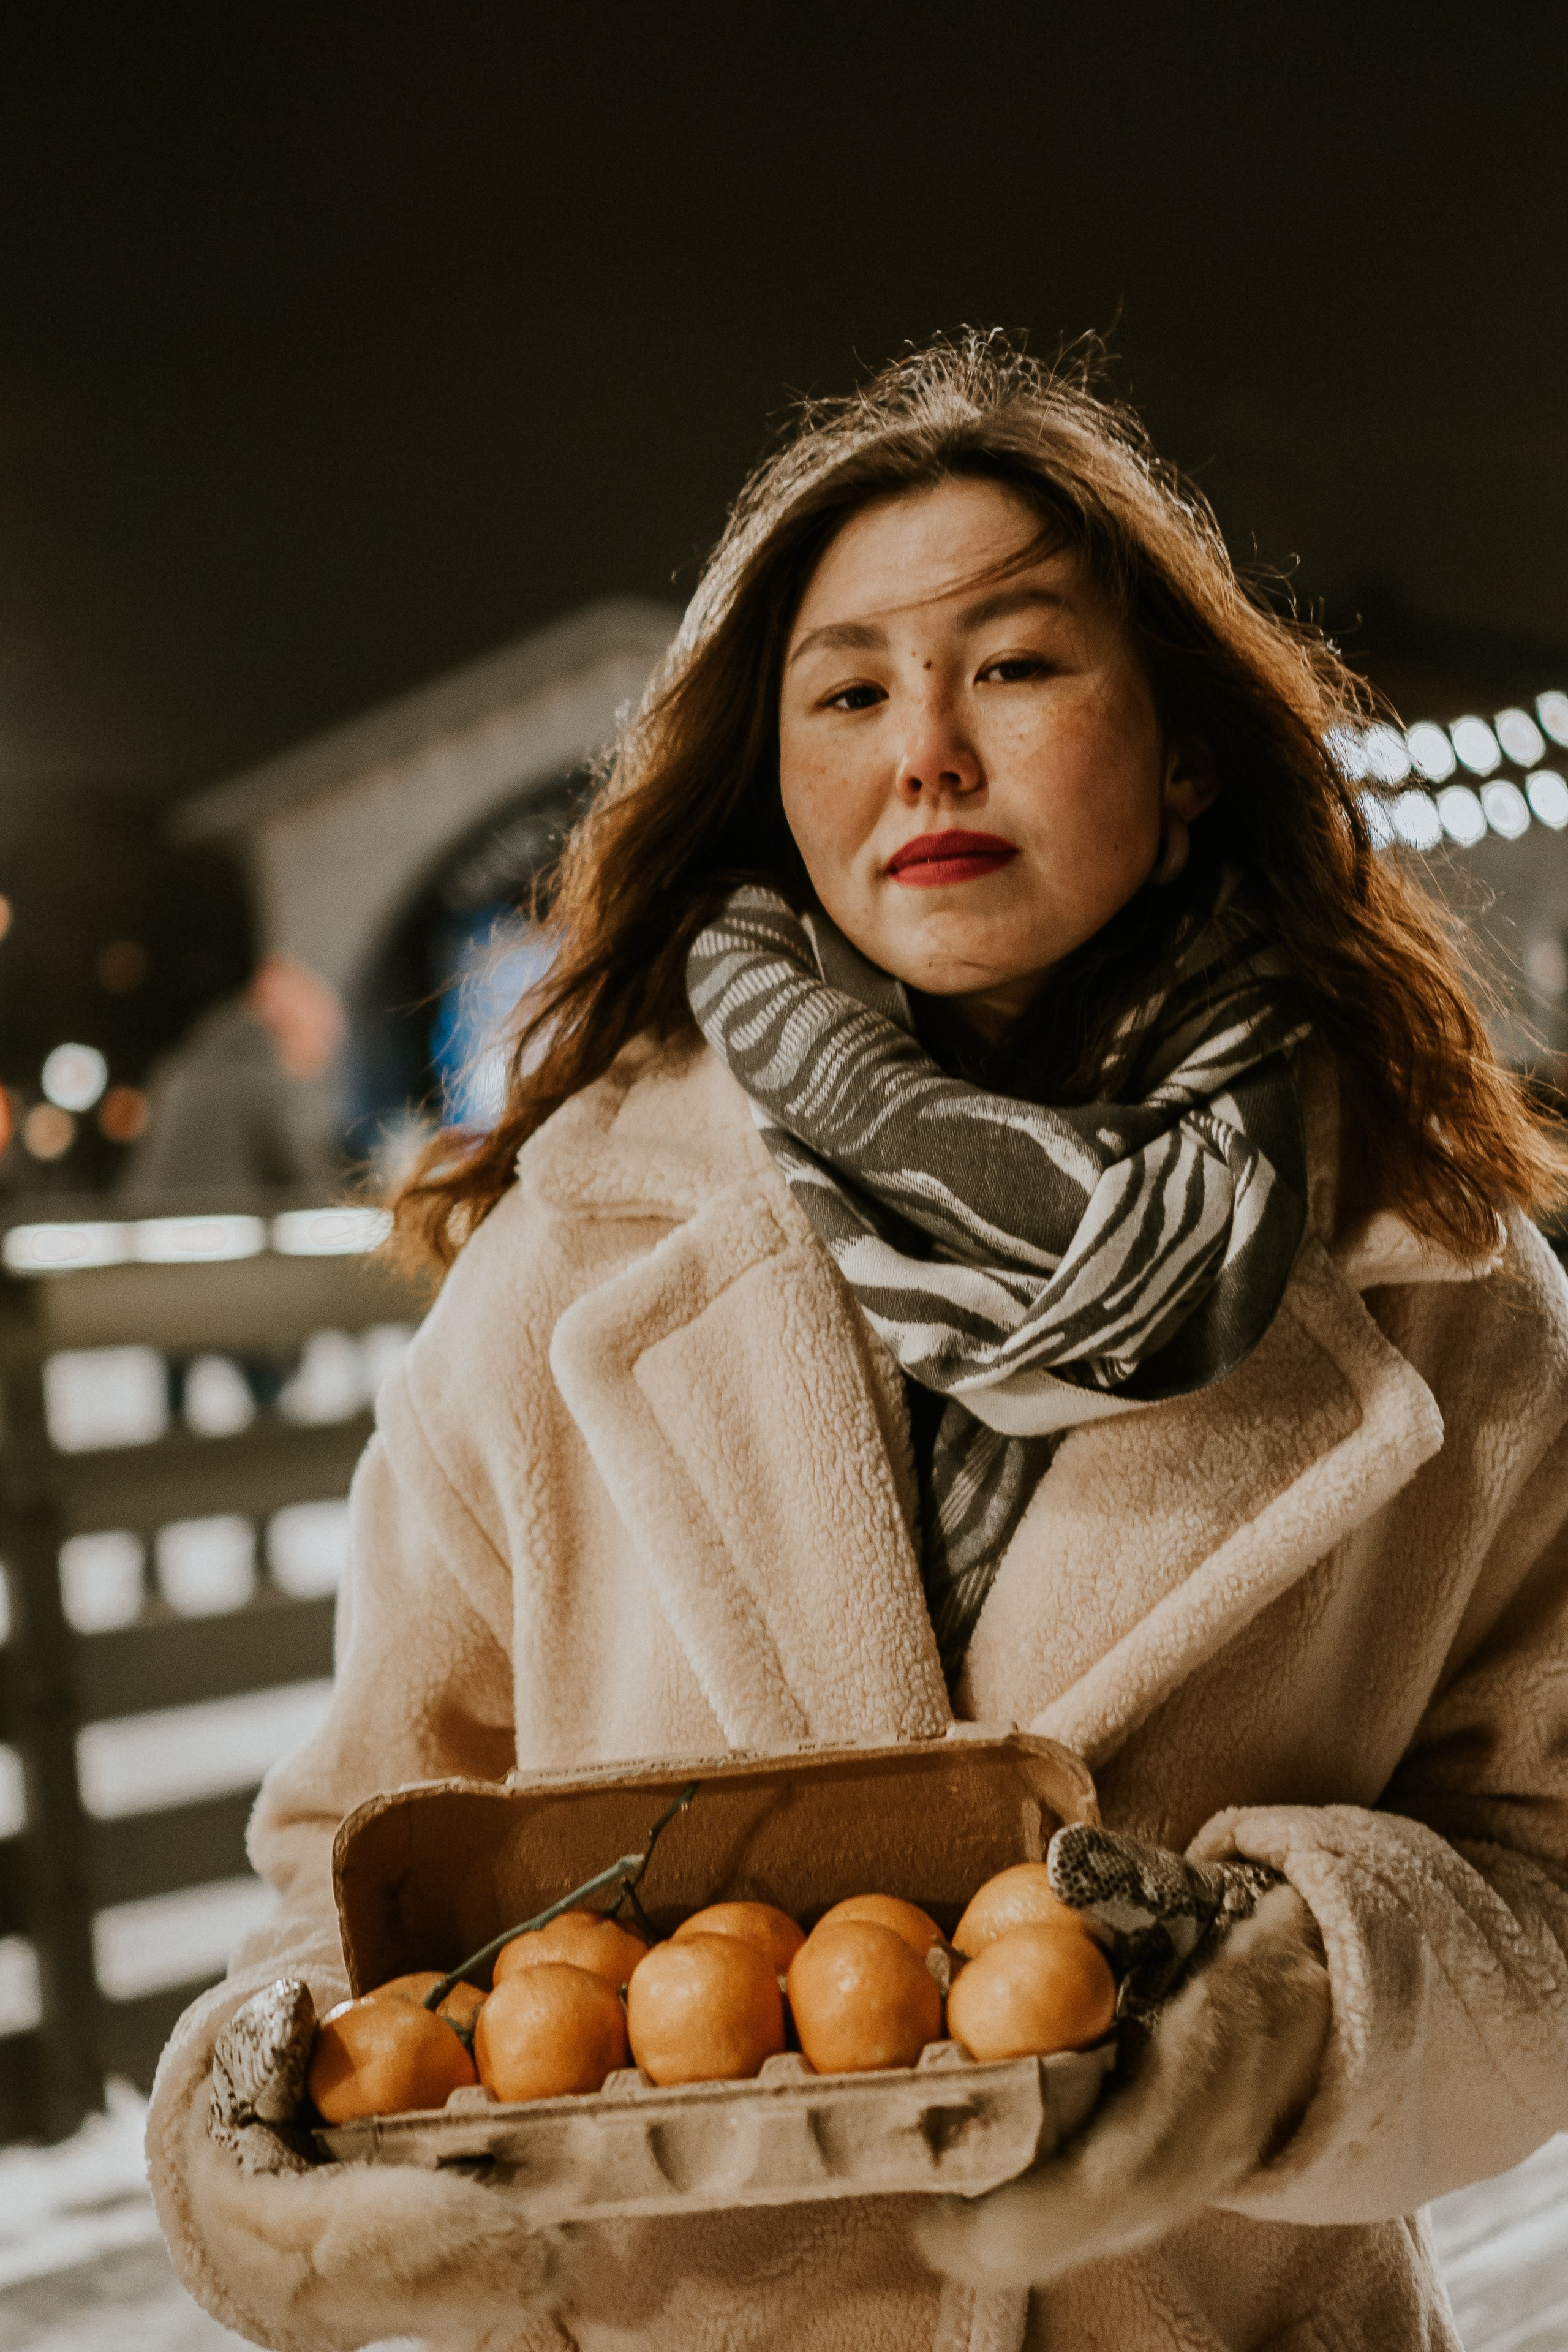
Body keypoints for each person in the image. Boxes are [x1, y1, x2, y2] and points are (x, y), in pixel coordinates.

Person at [148, 335, 1568, 2351]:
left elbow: (1546, 1872)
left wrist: (1300, 2009)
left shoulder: (1440, 1279)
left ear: (1183, 751)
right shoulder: (565, 1264)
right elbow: (359, 1868)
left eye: (1016, 664)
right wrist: (259, 2127)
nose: (928, 755)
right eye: (849, 693)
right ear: (776, 780)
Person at [120, 951, 345, 1202]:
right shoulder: (257, 1080)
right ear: (279, 1006)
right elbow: (316, 1194)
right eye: (322, 1030)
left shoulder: (188, 1067)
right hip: (214, 1223)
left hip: (162, 1223)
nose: (331, 1046)